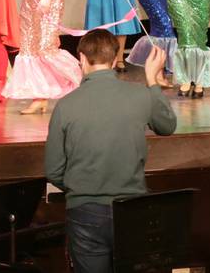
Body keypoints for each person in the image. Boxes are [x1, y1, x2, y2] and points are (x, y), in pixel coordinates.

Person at [45, 30, 177, 273]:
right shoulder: (140, 95)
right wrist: (152, 81)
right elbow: (167, 126)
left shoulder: (65, 106)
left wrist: (83, 186)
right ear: (116, 58)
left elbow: (53, 171)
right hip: (131, 208)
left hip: (85, 211)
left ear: (81, 58)